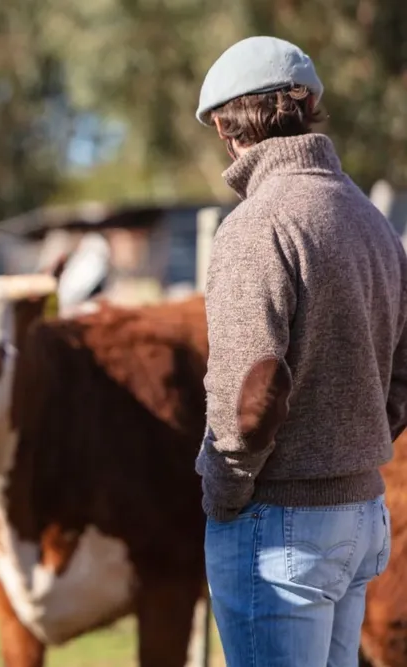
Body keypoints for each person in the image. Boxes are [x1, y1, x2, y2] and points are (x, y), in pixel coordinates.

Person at [195, 36, 407, 666]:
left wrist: (223, 500)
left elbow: (247, 399)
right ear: (309, 108)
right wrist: (353, 448)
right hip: (361, 514)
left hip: (278, 525)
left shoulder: (257, 225)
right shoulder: (371, 220)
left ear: (227, 130)